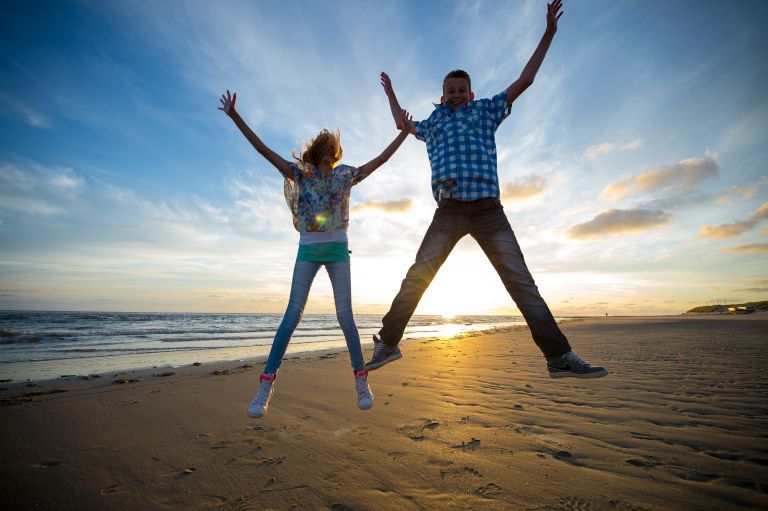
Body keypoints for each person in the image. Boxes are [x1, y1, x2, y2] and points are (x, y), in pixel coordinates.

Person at [365, 0, 607, 378]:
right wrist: (390, 91)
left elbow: (525, 80)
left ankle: (559, 357)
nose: (457, 94)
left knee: (521, 282)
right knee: (418, 274)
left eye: (462, 89)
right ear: (443, 95)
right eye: (451, 90)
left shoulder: (486, 111)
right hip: (448, 209)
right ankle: (388, 343)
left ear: (471, 94)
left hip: (488, 210)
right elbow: (402, 124)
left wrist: (548, 33)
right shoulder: (433, 123)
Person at [218, 89, 413, 417]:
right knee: (292, 315)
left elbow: (380, 161)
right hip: (308, 250)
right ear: (322, 150)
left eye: (334, 147)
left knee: (344, 316)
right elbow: (263, 149)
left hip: (337, 249)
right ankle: (266, 384)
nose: (332, 151)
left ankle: (361, 379)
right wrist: (236, 116)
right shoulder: (301, 174)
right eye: (329, 146)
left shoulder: (345, 174)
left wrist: (404, 136)